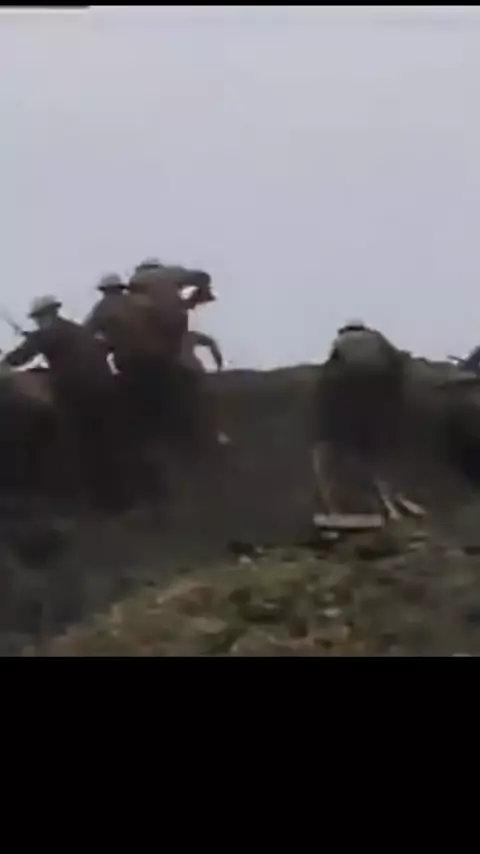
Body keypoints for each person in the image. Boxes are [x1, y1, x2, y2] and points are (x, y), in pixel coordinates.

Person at [2, 295, 128, 513]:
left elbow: (21, 355)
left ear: (45, 315)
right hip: (107, 388)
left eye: (38, 318)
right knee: (105, 444)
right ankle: (118, 502)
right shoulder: (76, 330)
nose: (38, 322)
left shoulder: (48, 332)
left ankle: (86, 502)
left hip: (78, 391)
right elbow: (100, 347)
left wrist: (4, 365)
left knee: (77, 444)